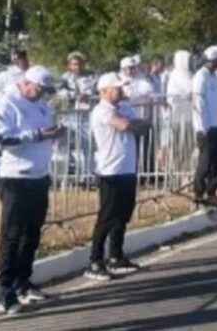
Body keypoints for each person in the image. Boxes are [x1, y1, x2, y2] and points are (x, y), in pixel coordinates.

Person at [0, 66, 64, 315]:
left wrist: (53, 133)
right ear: (27, 83)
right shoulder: (7, 104)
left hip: (38, 175)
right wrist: (36, 135)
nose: (42, 94)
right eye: (40, 89)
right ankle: (6, 290)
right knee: (12, 235)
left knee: (32, 233)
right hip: (15, 177)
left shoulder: (41, 104)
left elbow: (44, 130)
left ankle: (24, 281)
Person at [84, 73, 151, 281]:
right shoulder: (101, 111)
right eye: (117, 88)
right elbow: (127, 126)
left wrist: (135, 124)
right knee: (107, 216)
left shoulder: (124, 108)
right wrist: (133, 125)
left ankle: (116, 255)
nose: (121, 91)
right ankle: (95, 260)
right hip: (110, 170)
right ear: (104, 91)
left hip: (127, 168)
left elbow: (143, 124)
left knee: (123, 215)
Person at [191, 46, 217, 208]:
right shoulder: (200, 77)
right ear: (213, 61)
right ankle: (199, 193)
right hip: (206, 128)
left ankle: (212, 193)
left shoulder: (214, 77)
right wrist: (202, 128)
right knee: (205, 163)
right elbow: (198, 104)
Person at [164, 50, 194, 171]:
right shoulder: (178, 74)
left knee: (189, 146)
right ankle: (179, 172)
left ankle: (185, 170)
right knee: (181, 146)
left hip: (189, 115)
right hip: (179, 116)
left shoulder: (189, 73)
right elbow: (191, 89)